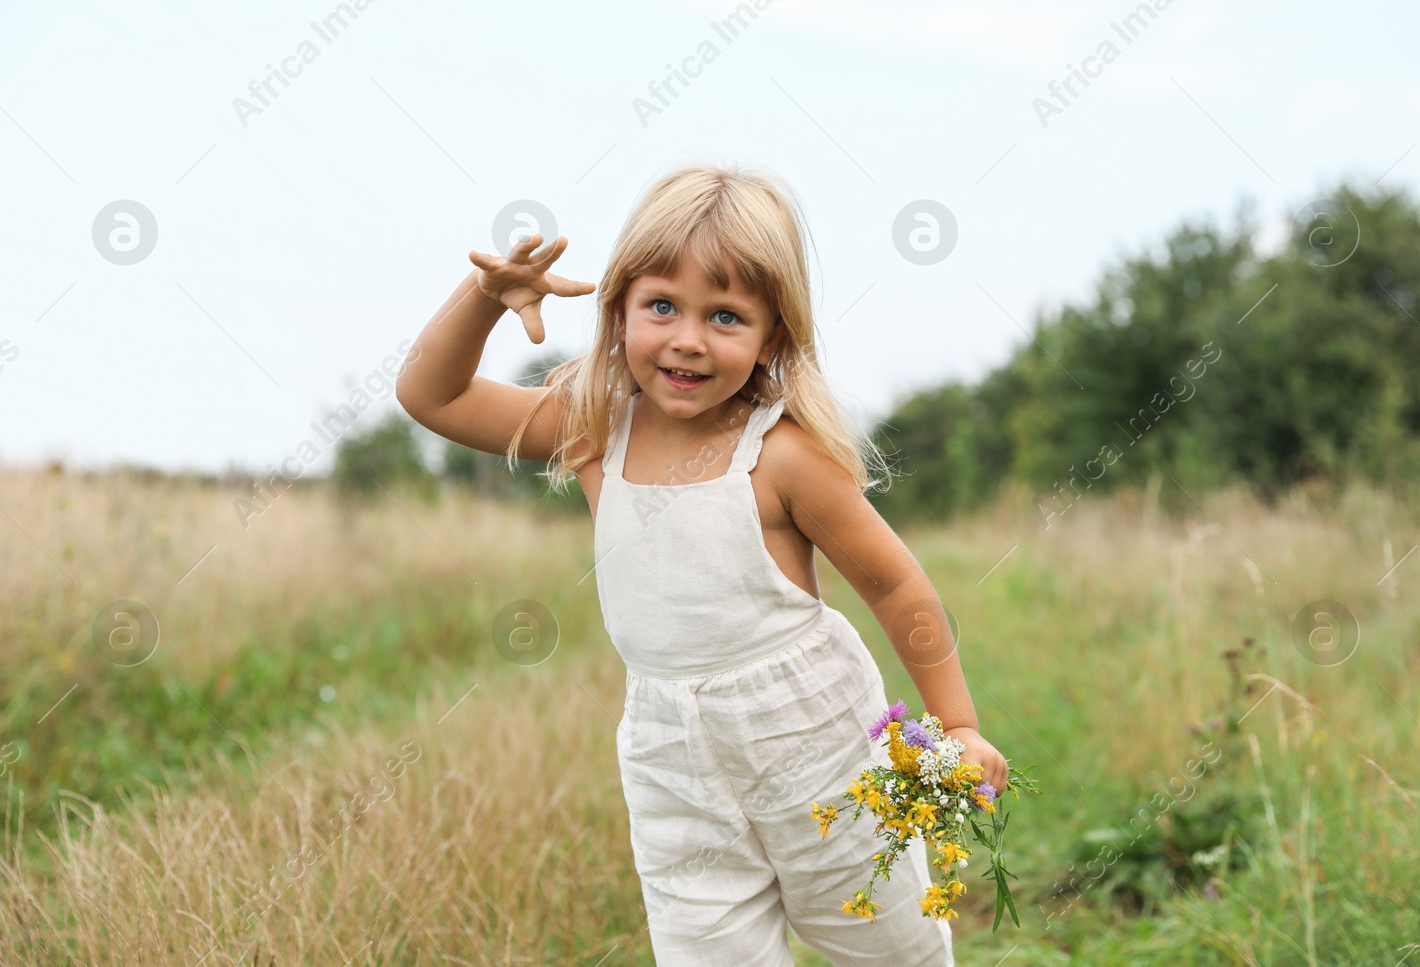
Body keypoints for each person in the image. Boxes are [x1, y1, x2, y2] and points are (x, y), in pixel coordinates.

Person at [396, 162, 1008, 965]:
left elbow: (895, 583)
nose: (687, 338)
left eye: (724, 315)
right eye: (661, 306)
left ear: (772, 337)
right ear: (618, 310)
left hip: (813, 741)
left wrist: (956, 722)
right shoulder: (592, 430)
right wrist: (484, 297)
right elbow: (429, 396)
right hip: (670, 757)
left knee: (889, 946)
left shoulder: (782, 457)